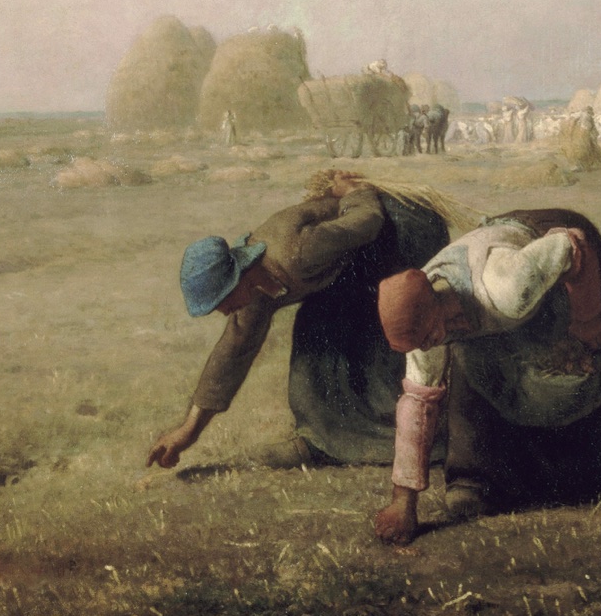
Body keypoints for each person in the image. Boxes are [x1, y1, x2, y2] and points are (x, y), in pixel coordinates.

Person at [372, 209, 601, 544]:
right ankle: (476, 481)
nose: (423, 348)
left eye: (425, 339)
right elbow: (419, 403)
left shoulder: (505, 286)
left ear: (437, 307)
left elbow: (572, 245)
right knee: (476, 370)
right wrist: (403, 501)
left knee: (590, 366)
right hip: (507, 278)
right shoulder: (427, 323)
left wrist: (588, 319)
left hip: (563, 257)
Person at [146, 170, 449, 471]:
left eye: (221, 302)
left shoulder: (297, 252)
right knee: (313, 334)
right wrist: (188, 432)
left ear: (238, 278)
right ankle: (320, 440)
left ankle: (422, 438)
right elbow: (233, 352)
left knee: (384, 331)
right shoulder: (255, 292)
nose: (223, 312)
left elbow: (366, 223)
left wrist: (353, 191)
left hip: (401, 229)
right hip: (357, 257)